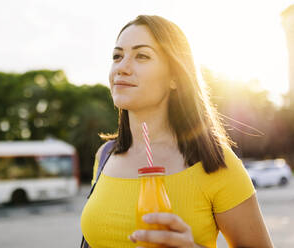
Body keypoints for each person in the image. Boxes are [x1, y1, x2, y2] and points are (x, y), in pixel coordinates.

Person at [80, 15, 273, 248]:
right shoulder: (105, 155)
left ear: (174, 77)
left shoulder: (216, 163)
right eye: (117, 56)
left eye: (142, 55)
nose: (122, 67)